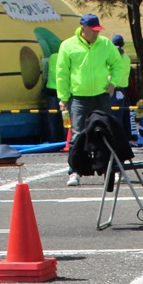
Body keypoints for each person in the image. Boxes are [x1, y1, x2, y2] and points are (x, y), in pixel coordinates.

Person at [55, 13, 130, 186]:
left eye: (98, 30)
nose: (96, 33)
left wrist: (113, 82)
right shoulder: (68, 46)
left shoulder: (105, 44)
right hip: (79, 97)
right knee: (77, 134)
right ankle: (74, 172)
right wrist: (63, 97)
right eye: (93, 30)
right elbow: (62, 73)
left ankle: (112, 170)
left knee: (107, 132)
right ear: (83, 28)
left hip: (101, 95)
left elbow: (117, 64)